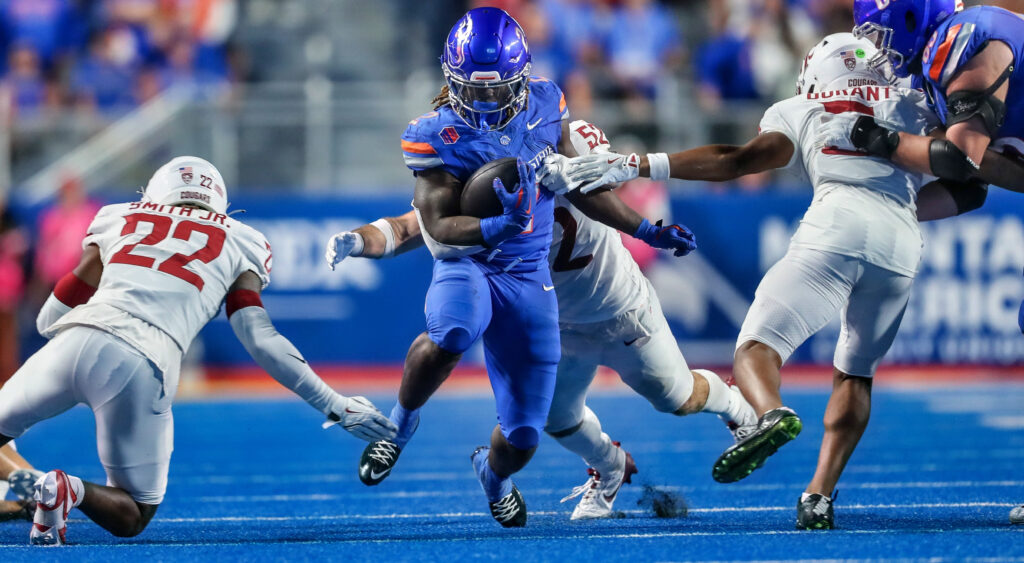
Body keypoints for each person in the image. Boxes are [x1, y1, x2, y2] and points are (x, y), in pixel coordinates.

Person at [548, 33, 1015, 529]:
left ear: (815, 74)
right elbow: (971, 185)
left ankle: (768, 413)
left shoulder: (805, 106)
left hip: (834, 226)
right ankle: (818, 494)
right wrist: (898, 211)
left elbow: (738, 160)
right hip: (900, 244)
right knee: (855, 373)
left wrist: (642, 163)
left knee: (756, 348)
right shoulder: (915, 102)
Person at [331, 7, 696, 528]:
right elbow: (433, 225)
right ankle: (399, 429)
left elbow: (584, 189)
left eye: (495, 89)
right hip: (471, 262)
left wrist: (644, 229)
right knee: (453, 329)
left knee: (524, 434)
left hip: (528, 276)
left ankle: (494, 477)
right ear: (451, 78)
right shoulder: (435, 133)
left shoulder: (547, 103)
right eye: (472, 89)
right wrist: (492, 229)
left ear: (522, 76)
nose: (483, 101)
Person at [326, 119, 756, 521]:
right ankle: (609, 468)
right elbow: (414, 228)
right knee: (554, 421)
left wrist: (629, 215)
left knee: (676, 399)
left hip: (620, 309)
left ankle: (738, 409)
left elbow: (607, 188)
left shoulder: (567, 151)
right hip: (550, 321)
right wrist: (359, 240)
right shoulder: (485, 179)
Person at [0, 156, 396, 545]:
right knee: (134, 511)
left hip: (75, 337)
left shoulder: (117, 215)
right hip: (142, 361)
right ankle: (64, 488)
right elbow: (261, 339)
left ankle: (28, 486)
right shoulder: (245, 239)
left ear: (157, 191)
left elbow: (51, 316)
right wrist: (335, 404)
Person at [838, 0, 1024, 525]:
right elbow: (972, 188)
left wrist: (882, 142)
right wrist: (892, 211)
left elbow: (959, 157)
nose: (876, 45)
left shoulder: (966, 35)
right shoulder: (941, 60)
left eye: (879, 30)